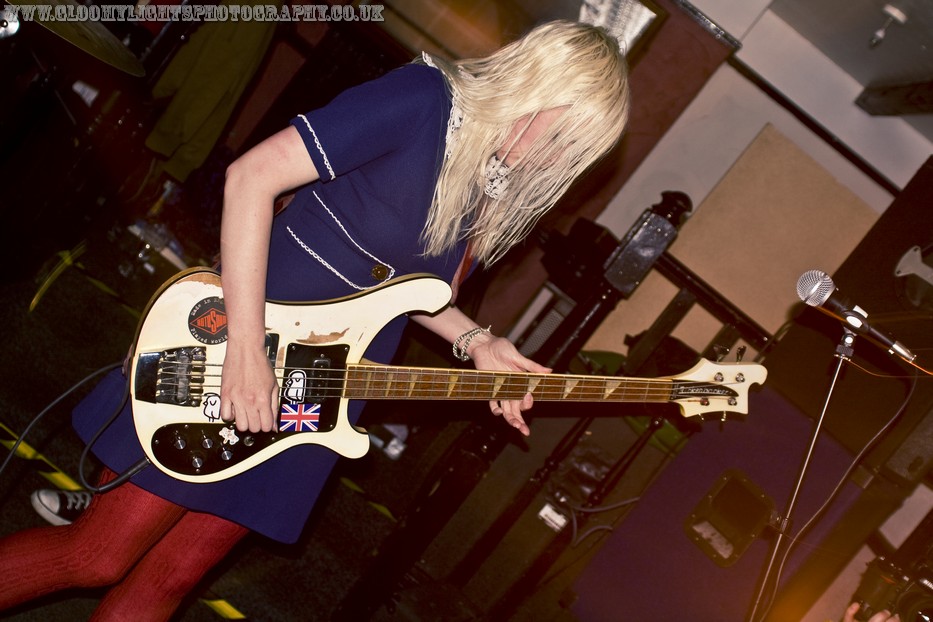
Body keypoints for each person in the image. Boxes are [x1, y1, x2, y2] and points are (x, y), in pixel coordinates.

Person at [0, 20, 630, 620]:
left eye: (573, 153)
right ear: (537, 85)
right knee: (97, 556)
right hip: (240, 349)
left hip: (318, 396)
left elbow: (409, 291)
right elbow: (252, 178)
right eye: (561, 137)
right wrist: (246, 351)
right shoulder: (424, 99)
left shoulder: (492, 178)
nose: (555, 160)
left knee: (168, 582)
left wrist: (477, 341)